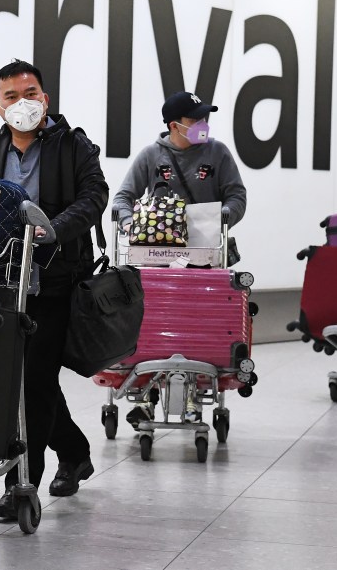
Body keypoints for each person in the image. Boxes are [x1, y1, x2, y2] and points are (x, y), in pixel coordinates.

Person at [0, 59, 108, 519]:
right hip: (1, 283)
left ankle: (21, 482)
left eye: (32, 93)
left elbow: (94, 196)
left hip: (57, 280)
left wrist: (53, 230)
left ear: (45, 96)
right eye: (12, 96)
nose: (24, 103)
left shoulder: (75, 146)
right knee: (20, 380)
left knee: (35, 380)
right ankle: (76, 451)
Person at [111, 91, 247, 426]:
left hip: (206, 260)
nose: (204, 124)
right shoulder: (151, 156)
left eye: (205, 118)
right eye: (196, 119)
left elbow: (237, 195)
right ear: (175, 125)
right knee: (153, 330)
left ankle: (194, 395)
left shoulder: (217, 153)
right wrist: (130, 221)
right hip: (158, 261)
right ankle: (147, 396)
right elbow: (123, 197)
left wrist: (220, 217)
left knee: (196, 328)